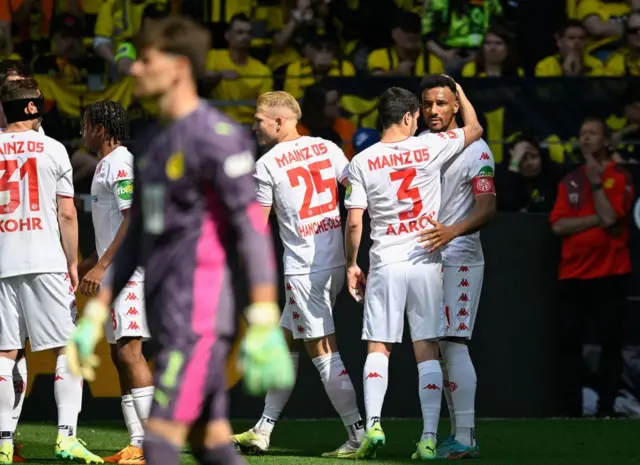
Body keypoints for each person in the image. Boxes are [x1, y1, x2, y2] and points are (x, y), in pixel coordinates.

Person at [65, 16, 294, 465]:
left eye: (145, 59)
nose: (132, 69)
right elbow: (137, 238)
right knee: (210, 442)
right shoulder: (150, 143)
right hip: (166, 308)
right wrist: (96, 311)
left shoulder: (218, 139)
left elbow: (251, 234)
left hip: (203, 314)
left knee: (160, 443)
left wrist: (265, 314)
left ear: (179, 67)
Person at [344, 85, 483, 460]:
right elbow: (475, 129)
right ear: (408, 117)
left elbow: (355, 222)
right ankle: (428, 438)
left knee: (378, 347)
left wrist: (353, 264)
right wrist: (460, 92)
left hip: (386, 262)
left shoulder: (361, 160)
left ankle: (372, 425)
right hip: (426, 260)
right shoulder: (428, 147)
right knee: (427, 352)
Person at [231, 91, 364, 458]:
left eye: (259, 120)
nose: (254, 125)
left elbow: (257, 225)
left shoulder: (268, 163)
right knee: (286, 341)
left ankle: (358, 434)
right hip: (335, 260)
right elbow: (356, 191)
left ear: (279, 121)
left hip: (305, 268)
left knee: (323, 351)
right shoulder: (328, 148)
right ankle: (263, 429)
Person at [0, 78, 102, 464]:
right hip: (44, 259)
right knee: (69, 348)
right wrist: (73, 263)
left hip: (2, 261)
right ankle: (67, 437)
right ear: (34, 108)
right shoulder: (53, 149)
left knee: (5, 353)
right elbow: (67, 212)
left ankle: (4, 442)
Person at [415, 74, 497, 459]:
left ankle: (464, 436)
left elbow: (487, 209)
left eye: (442, 103)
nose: (434, 110)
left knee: (453, 343)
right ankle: (458, 435)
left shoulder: (477, 150)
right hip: (427, 257)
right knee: (441, 348)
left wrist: (451, 232)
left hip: (460, 256)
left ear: (456, 105)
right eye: (428, 103)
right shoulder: (417, 146)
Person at [78, 100, 153, 465]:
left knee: (129, 350)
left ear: (102, 131)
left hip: (126, 273)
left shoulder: (120, 164)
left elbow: (132, 218)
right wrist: (90, 262)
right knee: (117, 352)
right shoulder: (106, 165)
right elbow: (109, 225)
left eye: (85, 126)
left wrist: (104, 265)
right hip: (112, 270)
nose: (81, 133)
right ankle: (136, 444)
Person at [550, 117, 633, 418]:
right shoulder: (569, 180)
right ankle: (571, 410)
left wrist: (597, 183)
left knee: (611, 344)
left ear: (606, 141)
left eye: (592, 134)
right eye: (582, 133)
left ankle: (606, 409)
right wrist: (597, 219)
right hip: (572, 275)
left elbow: (612, 217)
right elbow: (559, 226)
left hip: (610, 274)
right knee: (569, 345)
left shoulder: (620, 177)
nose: (585, 138)